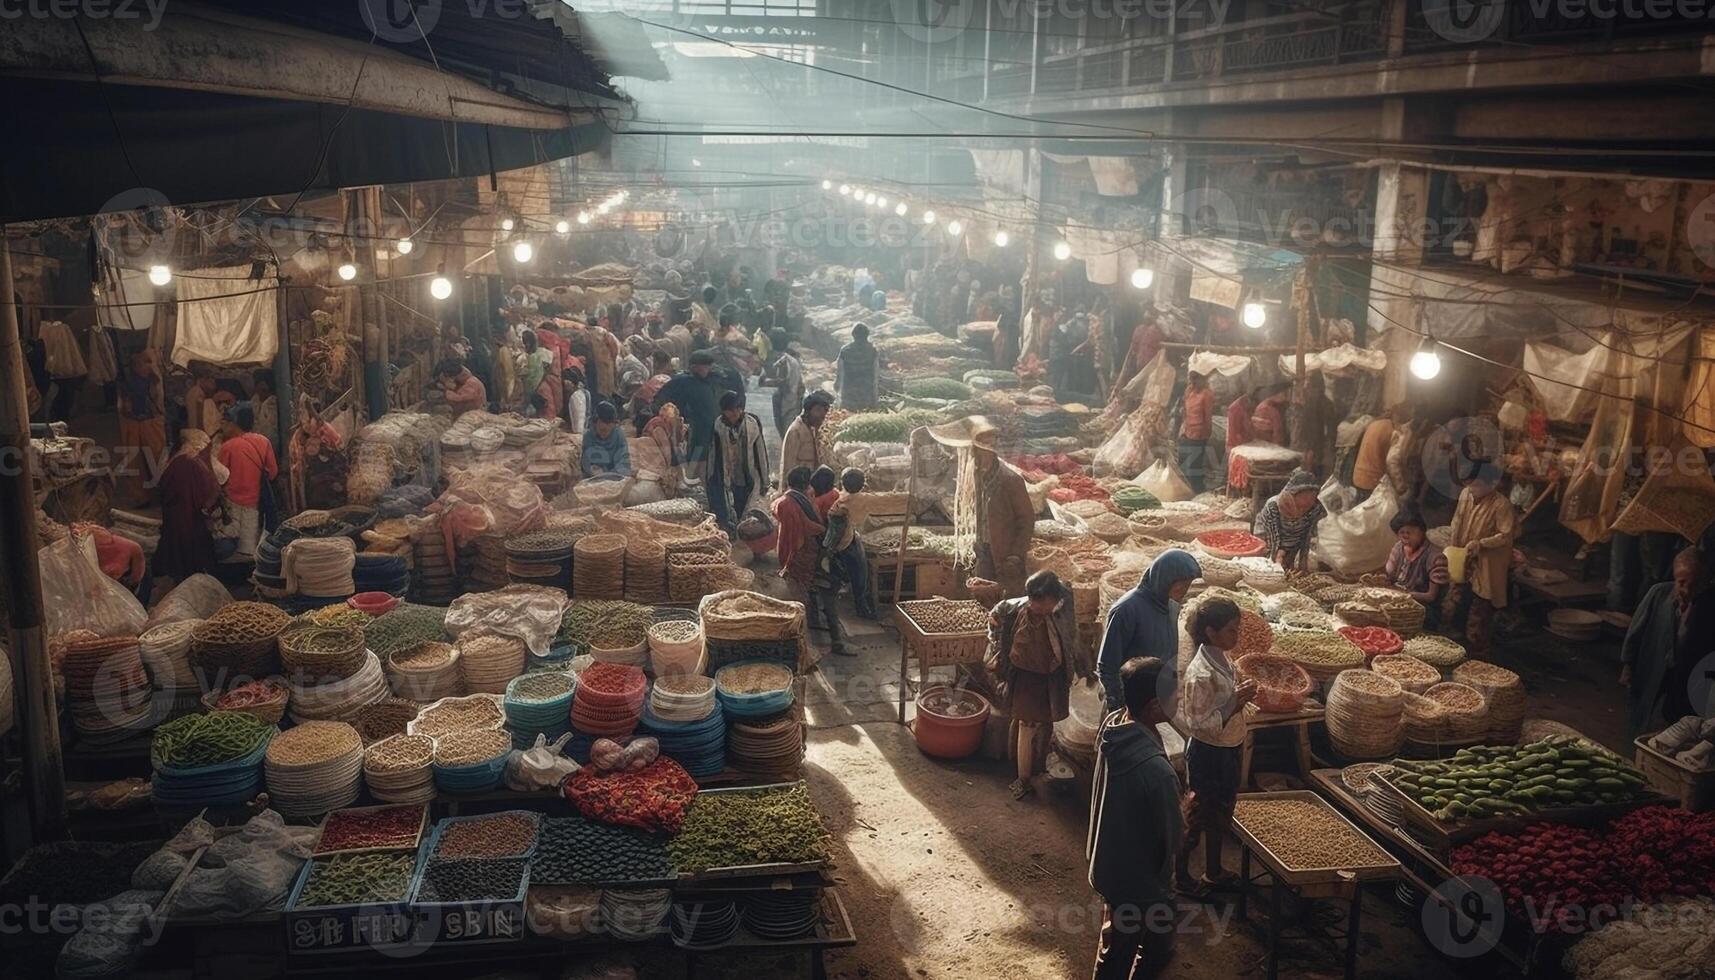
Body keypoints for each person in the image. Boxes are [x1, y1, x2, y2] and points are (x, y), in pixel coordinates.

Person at [1088, 656, 1183, 980]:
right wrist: (1185, 810)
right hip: (1139, 881)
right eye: (1176, 696)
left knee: (1118, 940)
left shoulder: (1114, 724)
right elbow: (1172, 837)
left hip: (1109, 863)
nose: (1180, 700)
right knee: (1132, 949)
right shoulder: (1157, 773)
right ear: (1155, 706)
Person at [984, 570, 1093, 800]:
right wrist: (997, 645)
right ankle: (1023, 778)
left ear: (1053, 599)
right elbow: (995, 616)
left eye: (1040, 602)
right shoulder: (1016, 607)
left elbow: (1071, 638)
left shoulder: (1062, 612)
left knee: (1046, 721)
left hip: (1051, 676)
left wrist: (1083, 666)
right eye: (1031, 599)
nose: (1033, 605)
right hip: (1025, 677)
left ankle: (1038, 765)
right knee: (1026, 724)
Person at [1174, 597, 1254, 898]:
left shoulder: (1221, 657)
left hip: (1228, 747)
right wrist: (1236, 702)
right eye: (1232, 630)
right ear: (1210, 631)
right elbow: (1198, 723)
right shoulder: (1200, 673)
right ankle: (1180, 878)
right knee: (1196, 818)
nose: (1237, 636)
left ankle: (1214, 871)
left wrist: (1237, 695)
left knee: (1220, 814)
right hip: (1209, 753)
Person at [1622, 548, 1714, 739]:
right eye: (1682, 583)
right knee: (1642, 710)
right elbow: (1635, 632)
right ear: (1674, 576)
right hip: (1653, 664)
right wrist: (1628, 665)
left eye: (1696, 584)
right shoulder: (1658, 594)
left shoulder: (1708, 605)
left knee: (1675, 720)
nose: (1687, 590)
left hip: (1684, 672)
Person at [1096, 549, 1202, 711]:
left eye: (1187, 585)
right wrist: (1118, 704)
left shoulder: (1171, 607)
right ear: (1164, 580)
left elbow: (1171, 654)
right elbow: (1107, 665)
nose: (1184, 591)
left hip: (1156, 699)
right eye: (1180, 585)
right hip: (1129, 698)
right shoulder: (1126, 609)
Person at [774, 466, 846, 657]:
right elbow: (805, 527)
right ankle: (802, 641)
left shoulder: (787, 500)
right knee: (803, 594)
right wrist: (823, 531)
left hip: (790, 549)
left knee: (809, 589)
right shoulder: (792, 504)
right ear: (805, 485)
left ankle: (812, 624)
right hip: (798, 552)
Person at [1446, 464, 1516, 657]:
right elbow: (1457, 521)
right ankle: (1452, 644)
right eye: (1469, 485)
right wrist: (1454, 546)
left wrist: (1481, 544)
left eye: (1476, 485)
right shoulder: (1465, 495)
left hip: (1487, 562)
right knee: (1455, 599)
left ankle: (1477, 653)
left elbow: (1505, 535)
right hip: (1462, 556)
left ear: (1492, 484)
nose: (1471, 489)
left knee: (1480, 607)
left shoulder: (1501, 505)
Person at [826, 467, 910, 621]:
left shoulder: (842, 496)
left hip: (839, 541)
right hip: (848, 540)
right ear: (862, 484)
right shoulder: (861, 498)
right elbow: (886, 500)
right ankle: (862, 608)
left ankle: (836, 602)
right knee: (860, 575)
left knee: (845, 573)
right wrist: (904, 495)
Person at [156, 428, 222, 582]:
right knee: (194, 554)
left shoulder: (174, 459)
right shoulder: (190, 462)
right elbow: (208, 491)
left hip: (175, 517)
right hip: (190, 519)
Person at [216, 403, 278, 561]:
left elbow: (220, 478)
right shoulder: (264, 441)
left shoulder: (227, 447)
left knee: (228, 546)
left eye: (225, 423)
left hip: (232, 506)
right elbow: (273, 473)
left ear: (233, 423)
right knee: (249, 549)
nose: (223, 427)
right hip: (256, 504)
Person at [653, 350, 723, 478]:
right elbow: (661, 400)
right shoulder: (683, 381)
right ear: (694, 366)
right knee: (696, 458)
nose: (708, 369)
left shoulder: (710, 380)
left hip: (711, 427)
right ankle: (694, 481)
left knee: (709, 457)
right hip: (694, 429)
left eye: (709, 365)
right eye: (704, 365)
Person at [709, 391, 768, 531]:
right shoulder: (718, 426)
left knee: (747, 505)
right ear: (724, 411)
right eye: (730, 410)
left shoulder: (752, 423)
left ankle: (744, 534)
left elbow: (760, 451)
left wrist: (765, 480)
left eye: (738, 408)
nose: (735, 413)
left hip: (747, 474)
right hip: (727, 474)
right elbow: (713, 454)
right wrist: (711, 477)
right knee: (727, 506)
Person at [1385, 508, 1449, 632]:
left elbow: (1431, 596)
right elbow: (1390, 577)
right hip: (1398, 600)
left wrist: (1401, 595)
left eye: (1409, 532)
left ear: (1421, 531)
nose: (1405, 536)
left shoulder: (1436, 557)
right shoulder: (1399, 548)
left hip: (1423, 608)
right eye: (1401, 533)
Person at [115, 351, 166, 507]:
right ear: (136, 366)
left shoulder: (155, 382)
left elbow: (159, 404)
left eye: (150, 362)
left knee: (158, 458)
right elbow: (122, 406)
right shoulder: (126, 384)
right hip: (133, 424)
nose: (149, 366)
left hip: (151, 423)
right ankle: (140, 497)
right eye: (146, 362)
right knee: (134, 462)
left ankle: (164, 492)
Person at [1254, 469, 1327, 571]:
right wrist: (1278, 557)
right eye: (1304, 497)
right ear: (1293, 495)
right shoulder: (1274, 506)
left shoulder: (1315, 508)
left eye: (1313, 497)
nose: (1309, 501)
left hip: (1295, 546)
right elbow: (1273, 537)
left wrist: (1303, 562)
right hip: (1270, 543)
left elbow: (1308, 536)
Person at [779, 391, 832, 491]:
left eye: (824, 412)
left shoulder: (812, 429)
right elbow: (788, 465)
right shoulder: (795, 431)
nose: (821, 415)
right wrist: (787, 490)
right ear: (807, 411)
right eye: (818, 410)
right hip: (798, 487)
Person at [1178, 370, 1214, 493]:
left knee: (1194, 465)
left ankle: (1196, 489)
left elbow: (1207, 416)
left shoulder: (1206, 394)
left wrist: (1207, 432)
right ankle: (1191, 489)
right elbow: (1185, 411)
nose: (1194, 381)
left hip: (1198, 433)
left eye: (1196, 379)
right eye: (1193, 379)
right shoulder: (1189, 391)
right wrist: (1183, 428)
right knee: (1187, 463)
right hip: (1189, 431)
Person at [763, 332, 804, 437]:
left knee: (785, 435)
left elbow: (781, 381)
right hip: (793, 402)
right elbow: (801, 386)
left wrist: (768, 381)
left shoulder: (782, 360)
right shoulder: (793, 361)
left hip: (785, 402)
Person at [1352, 409, 1397, 503]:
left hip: (1358, 476)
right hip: (1372, 482)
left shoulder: (1373, 424)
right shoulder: (1392, 430)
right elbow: (1392, 460)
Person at [835, 323, 880, 411]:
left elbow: (840, 371)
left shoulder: (845, 350)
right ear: (867, 335)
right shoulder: (872, 350)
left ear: (853, 335)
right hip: (867, 391)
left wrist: (837, 385)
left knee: (848, 415)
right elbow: (876, 373)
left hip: (849, 391)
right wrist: (875, 396)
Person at [1116, 311, 1165, 392]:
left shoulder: (1157, 331)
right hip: (1139, 363)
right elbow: (1133, 348)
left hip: (1151, 365)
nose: (1147, 318)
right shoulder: (1139, 329)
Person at [581, 402, 632, 479]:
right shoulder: (589, 436)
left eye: (609, 430)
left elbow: (624, 463)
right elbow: (585, 461)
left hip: (615, 478)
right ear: (595, 423)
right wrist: (591, 469)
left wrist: (607, 475)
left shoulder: (619, 436)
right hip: (593, 479)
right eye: (602, 430)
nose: (605, 434)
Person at [520, 330, 555, 418]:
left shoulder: (531, 358)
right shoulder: (541, 356)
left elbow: (530, 382)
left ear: (527, 343)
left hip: (538, 392)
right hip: (541, 389)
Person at [251, 370, 279, 452]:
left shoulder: (271, 403)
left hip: (267, 444)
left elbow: (270, 431)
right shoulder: (255, 400)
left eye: (264, 390)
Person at [564, 366, 590, 434]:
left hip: (579, 433)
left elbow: (579, 418)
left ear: (572, 383)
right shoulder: (582, 392)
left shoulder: (576, 396)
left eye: (566, 384)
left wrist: (577, 434)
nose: (565, 387)